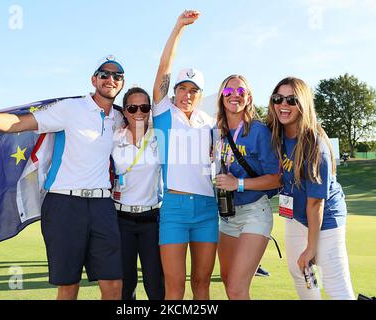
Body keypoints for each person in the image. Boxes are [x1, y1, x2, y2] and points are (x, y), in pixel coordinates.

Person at [0, 55, 126, 300]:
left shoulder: (121, 117)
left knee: (113, 285)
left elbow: (158, 105)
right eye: (104, 75)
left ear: (121, 83)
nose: (110, 79)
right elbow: (21, 123)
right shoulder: (71, 108)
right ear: (94, 80)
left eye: (117, 76)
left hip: (103, 206)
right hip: (65, 205)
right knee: (68, 287)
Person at [266, 76, 355, 300]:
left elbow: (316, 202)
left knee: (335, 285)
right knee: (300, 272)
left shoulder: (315, 145)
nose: (283, 105)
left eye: (291, 100)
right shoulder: (275, 133)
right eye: (278, 98)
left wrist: (311, 247)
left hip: (325, 219)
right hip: (295, 215)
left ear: (303, 103)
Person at [152, 10, 218, 300]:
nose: (187, 95)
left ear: (201, 94)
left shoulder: (212, 123)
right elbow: (164, 68)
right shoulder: (164, 112)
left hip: (207, 208)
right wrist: (178, 27)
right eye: (182, 88)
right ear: (174, 91)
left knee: (202, 284)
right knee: (175, 287)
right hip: (174, 209)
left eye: (193, 90)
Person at [214, 75, 281, 300]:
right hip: (227, 214)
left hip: (255, 212)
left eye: (241, 92)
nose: (235, 95)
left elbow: (277, 178)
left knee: (236, 287)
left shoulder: (259, 132)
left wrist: (238, 183)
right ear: (221, 97)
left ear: (249, 98)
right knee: (227, 279)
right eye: (228, 92)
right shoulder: (217, 132)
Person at [111, 87, 165, 300]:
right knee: (125, 285)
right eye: (133, 108)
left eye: (144, 107)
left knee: (155, 284)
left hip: (151, 219)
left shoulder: (160, 138)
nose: (139, 112)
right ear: (124, 111)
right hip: (121, 219)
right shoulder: (113, 138)